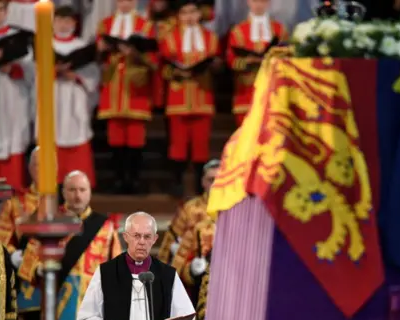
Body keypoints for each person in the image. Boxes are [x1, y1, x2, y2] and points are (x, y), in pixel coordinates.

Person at [17, 171, 122, 320]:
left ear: (90, 193)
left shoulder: (105, 226)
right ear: (63, 192)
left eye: (82, 189)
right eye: (72, 189)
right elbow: (28, 261)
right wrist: (39, 270)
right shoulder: (49, 221)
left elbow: (117, 270)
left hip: (91, 311)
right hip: (56, 308)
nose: (77, 195)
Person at [76, 212, 196, 320]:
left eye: (147, 237)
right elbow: (85, 318)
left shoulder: (167, 275)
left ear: (154, 239)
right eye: (136, 236)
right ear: (126, 237)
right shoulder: (106, 272)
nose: (142, 242)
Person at [159, 0, 221, 196]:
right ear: (178, 16)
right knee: (177, 145)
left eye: (193, 12)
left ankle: (199, 187)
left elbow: (218, 64)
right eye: (184, 13)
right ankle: (176, 185)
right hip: (178, 98)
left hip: (203, 97)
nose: (189, 17)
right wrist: (178, 73)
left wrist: (213, 65)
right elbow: (164, 68)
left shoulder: (210, 38)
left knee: (201, 145)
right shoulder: (170, 38)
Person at [96, 0, 158, 194]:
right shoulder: (105, 24)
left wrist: (134, 52)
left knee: (135, 139)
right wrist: (102, 49)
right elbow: (98, 57)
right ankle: (118, 179)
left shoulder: (145, 25)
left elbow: (154, 59)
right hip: (113, 86)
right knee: (115, 139)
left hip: (135, 87)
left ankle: (134, 180)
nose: (125, 3)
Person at [0, 0, 34, 191]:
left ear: (7, 11)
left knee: (13, 131)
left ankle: (14, 181)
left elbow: (29, 66)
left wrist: (12, 67)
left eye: (1, 9)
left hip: (12, 89)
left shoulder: (16, 36)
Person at [0, 147, 41, 320]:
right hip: (27, 282)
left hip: (60, 282)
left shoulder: (65, 202)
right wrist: (14, 255)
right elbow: (1, 240)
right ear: (30, 167)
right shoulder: (16, 203)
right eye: (38, 165)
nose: (43, 170)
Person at [52, 6, 100, 187]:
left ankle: (79, 184)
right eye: (60, 21)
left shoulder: (82, 47)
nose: (64, 25)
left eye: (68, 21)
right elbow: (33, 77)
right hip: (53, 97)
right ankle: (54, 183)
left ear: (74, 23)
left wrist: (77, 77)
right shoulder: (44, 45)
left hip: (74, 96)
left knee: (77, 136)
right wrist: (53, 71)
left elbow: (93, 76)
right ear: (53, 22)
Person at [226, 0, 288, 126]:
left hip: (273, 90)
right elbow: (231, 60)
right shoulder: (238, 30)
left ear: (268, 3)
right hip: (246, 91)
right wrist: (248, 61)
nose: (258, 5)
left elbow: (287, 57)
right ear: (248, 2)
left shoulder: (279, 29)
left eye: (262, 2)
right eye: (255, 1)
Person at [157, 159, 218, 265]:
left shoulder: (235, 210)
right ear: (203, 182)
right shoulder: (189, 208)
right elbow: (170, 241)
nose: (215, 184)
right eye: (211, 180)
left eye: (220, 179)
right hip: (192, 269)